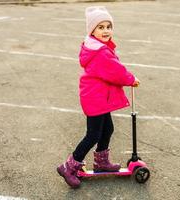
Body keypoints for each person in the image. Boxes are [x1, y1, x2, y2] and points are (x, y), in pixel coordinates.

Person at [57, 6, 140, 188]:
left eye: (108, 26)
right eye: (100, 27)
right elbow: (115, 71)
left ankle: (101, 161)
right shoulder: (100, 52)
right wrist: (131, 79)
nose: (105, 31)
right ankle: (68, 167)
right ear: (92, 30)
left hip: (100, 98)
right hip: (95, 98)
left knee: (107, 129)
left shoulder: (97, 47)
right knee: (93, 134)